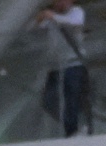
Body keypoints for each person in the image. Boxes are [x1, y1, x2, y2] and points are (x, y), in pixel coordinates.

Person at [37, 3, 89, 135]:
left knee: (72, 98)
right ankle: (69, 125)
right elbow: (37, 28)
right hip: (55, 65)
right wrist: (41, 18)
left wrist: (53, 17)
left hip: (73, 63)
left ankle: (73, 130)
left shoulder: (76, 11)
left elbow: (75, 23)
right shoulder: (51, 16)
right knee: (49, 100)